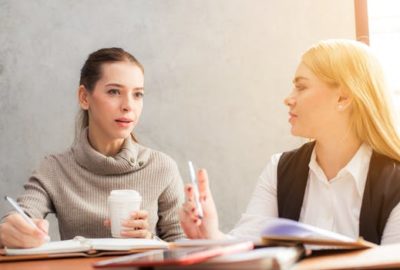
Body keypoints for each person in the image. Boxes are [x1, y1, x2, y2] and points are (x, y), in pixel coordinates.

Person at [180, 39, 400, 245]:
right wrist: (210, 235)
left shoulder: (395, 183)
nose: (288, 98)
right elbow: (246, 248)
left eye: (301, 87)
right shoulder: (279, 169)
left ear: (343, 98)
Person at [0, 48, 185, 248]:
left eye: (138, 94)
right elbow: (22, 215)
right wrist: (10, 231)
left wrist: (149, 241)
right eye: (114, 91)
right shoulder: (54, 169)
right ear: (84, 97)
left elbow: (184, 247)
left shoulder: (162, 167)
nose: (128, 106)